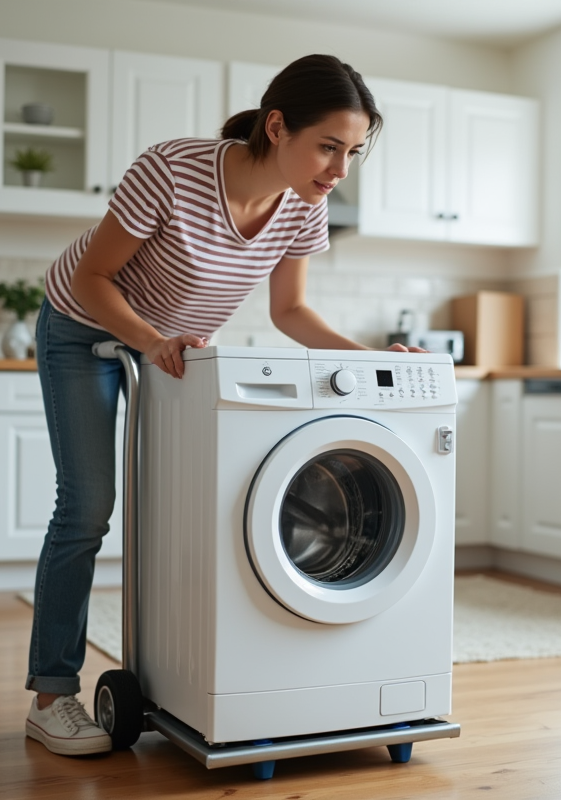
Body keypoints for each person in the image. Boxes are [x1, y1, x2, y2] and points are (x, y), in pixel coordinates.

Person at [24, 53, 424, 756]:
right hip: (86, 328)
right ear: (278, 126)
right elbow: (91, 278)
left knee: (189, 507)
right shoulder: (172, 170)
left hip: (172, 346)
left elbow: (292, 311)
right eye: (329, 146)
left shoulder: (305, 202)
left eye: (354, 152)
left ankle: (185, 677)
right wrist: (149, 340)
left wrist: (372, 362)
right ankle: (52, 695)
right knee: (87, 506)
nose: (339, 169)